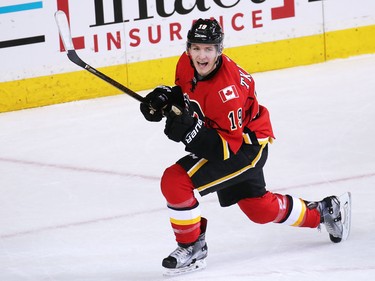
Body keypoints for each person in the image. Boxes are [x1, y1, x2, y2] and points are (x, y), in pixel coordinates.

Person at [140, 18, 348, 274]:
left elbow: (224, 150)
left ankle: (192, 246)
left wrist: (190, 133)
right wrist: (166, 98)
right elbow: (187, 93)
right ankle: (326, 211)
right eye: (196, 48)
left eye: (208, 49)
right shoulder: (185, 63)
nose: (201, 55)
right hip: (229, 138)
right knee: (259, 209)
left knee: (175, 180)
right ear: (188, 48)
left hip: (245, 147)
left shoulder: (227, 92)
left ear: (220, 50)